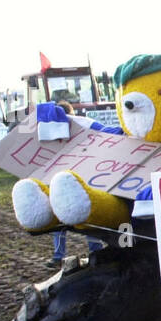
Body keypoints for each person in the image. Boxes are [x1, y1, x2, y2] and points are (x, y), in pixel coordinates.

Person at [47, 101, 106, 268]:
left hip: (65, 181)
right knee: (88, 217)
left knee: (60, 221)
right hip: (78, 181)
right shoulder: (84, 127)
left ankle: (59, 255)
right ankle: (95, 250)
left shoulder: (54, 131)